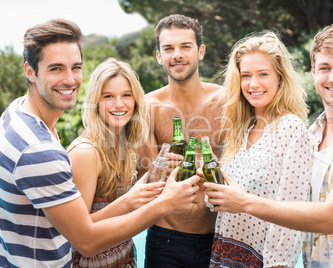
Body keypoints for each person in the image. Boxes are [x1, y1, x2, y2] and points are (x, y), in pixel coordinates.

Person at [0, 19, 200, 268]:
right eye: (56, 69)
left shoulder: (18, 113)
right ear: (30, 71)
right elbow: (85, 239)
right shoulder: (47, 151)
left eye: (75, 67)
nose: (70, 79)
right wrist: (163, 203)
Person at [204, 24, 333, 267]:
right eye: (325, 68)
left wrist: (244, 202)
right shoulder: (312, 134)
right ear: (313, 70)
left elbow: (331, 217)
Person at [200, 31, 311, 268]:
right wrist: (211, 185)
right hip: (223, 255)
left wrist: (278, 265)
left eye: (263, 74)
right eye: (246, 75)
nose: (253, 84)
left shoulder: (291, 128)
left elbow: (293, 212)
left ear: (280, 78)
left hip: (263, 261)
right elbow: (221, 206)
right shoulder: (241, 130)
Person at [143, 14, 226, 268]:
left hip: (219, 236)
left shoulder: (225, 100)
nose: (177, 54)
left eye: (185, 46)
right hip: (165, 240)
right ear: (159, 56)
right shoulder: (149, 106)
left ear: (200, 51)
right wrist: (160, 169)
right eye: (168, 48)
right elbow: (145, 179)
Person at [67, 58, 165, 267]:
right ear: (95, 102)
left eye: (126, 95)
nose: (119, 104)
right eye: (108, 96)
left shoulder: (127, 146)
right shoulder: (86, 152)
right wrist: (129, 201)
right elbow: (76, 232)